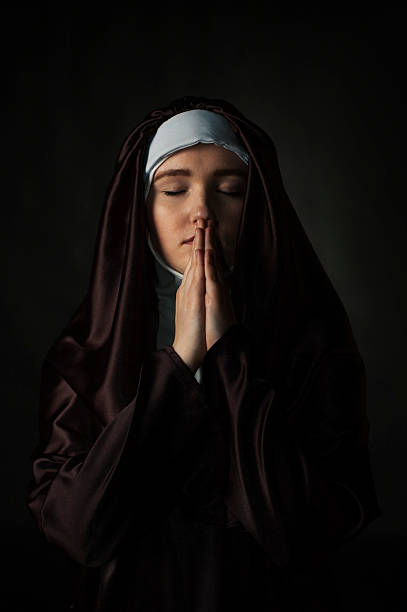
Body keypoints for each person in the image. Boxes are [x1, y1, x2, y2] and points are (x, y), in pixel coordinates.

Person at [27, 95, 380, 611]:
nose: (202, 213)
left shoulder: (315, 347)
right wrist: (181, 360)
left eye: (231, 190)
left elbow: (303, 530)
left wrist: (228, 358)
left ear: (257, 205)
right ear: (139, 208)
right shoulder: (83, 357)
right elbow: (81, 531)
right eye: (173, 189)